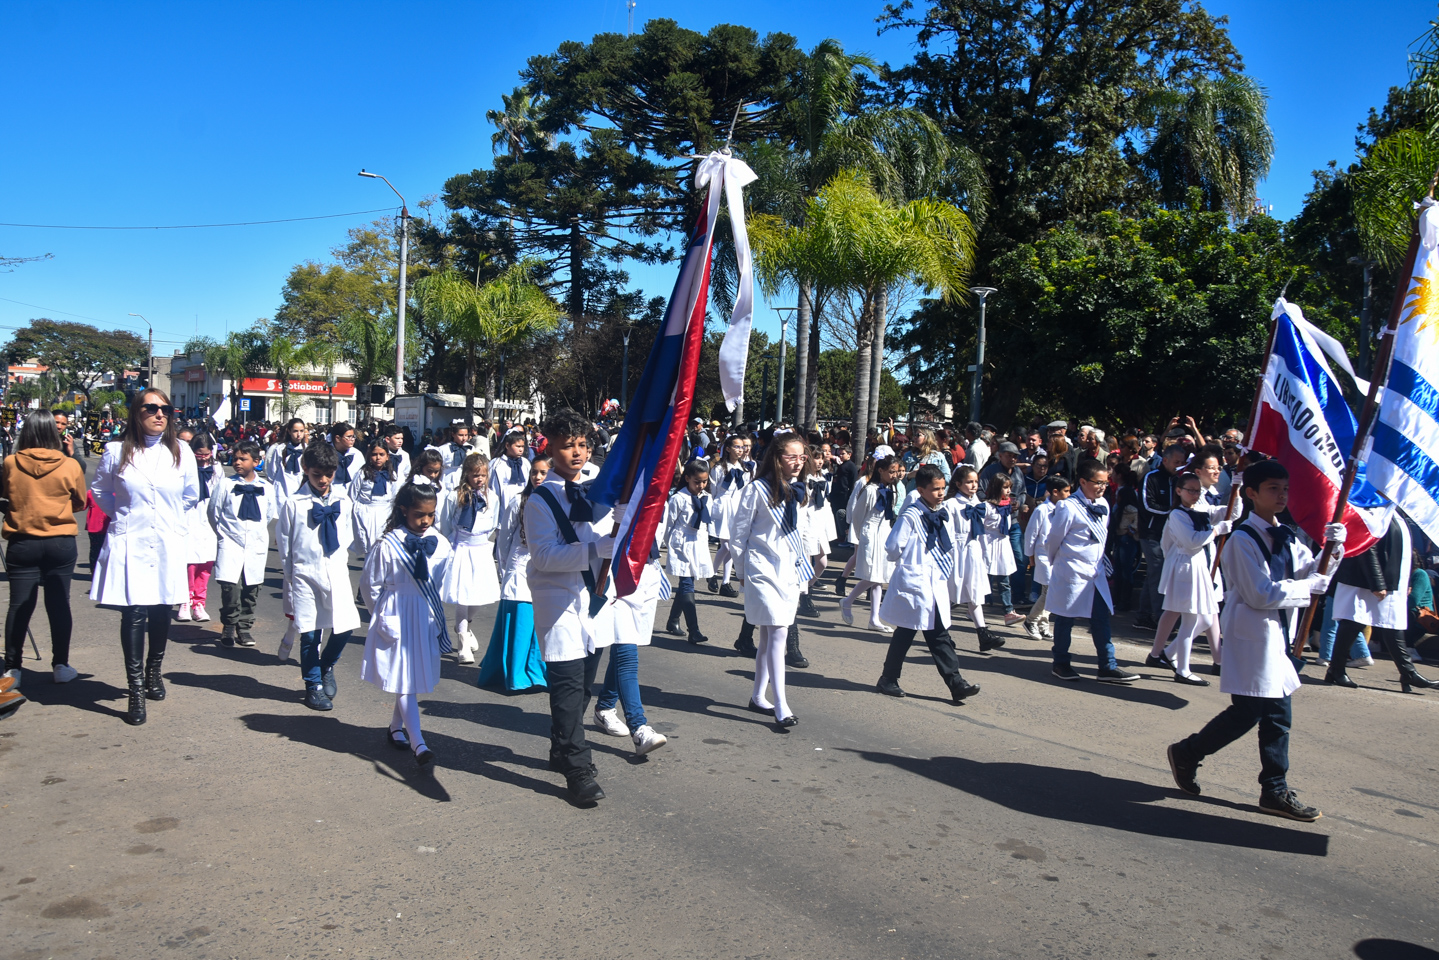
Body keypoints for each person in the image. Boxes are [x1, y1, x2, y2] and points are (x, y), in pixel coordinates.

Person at [1167, 460, 1343, 822]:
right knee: (1256, 713)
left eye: (1285, 489)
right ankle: (1263, 784)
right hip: (1254, 635)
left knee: (1267, 714)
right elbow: (1260, 593)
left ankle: (1257, 781)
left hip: (1278, 637)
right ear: (1251, 493)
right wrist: (1308, 586)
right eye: (1272, 489)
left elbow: (1312, 572)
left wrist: (1334, 549)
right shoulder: (1242, 540)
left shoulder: (1286, 535)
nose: (1281, 496)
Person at [90, 389, 201, 726]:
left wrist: (167, 520)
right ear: (136, 413)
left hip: (167, 540)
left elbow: (190, 495)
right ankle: (135, 688)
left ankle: (155, 670)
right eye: (151, 408)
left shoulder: (181, 451)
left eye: (165, 408)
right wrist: (124, 516)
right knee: (134, 611)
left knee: (161, 608)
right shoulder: (116, 451)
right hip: (132, 541)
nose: (159, 414)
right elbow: (99, 490)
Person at [526, 409, 614, 805]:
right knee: (566, 686)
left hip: (595, 599)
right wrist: (595, 549)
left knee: (584, 687)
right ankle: (577, 768)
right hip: (558, 600)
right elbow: (544, 556)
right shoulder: (540, 499)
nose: (576, 453)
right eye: (566, 446)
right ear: (551, 449)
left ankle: (561, 747)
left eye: (581, 444)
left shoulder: (601, 486)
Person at [361, 479, 453, 767]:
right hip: (396, 613)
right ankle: (418, 743)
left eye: (431, 514)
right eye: (418, 515)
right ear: (403, 511)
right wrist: (381, 614)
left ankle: (395, 728)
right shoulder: (388, 544)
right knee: (404, 678)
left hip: (424, 614)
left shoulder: (441, 543)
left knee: (409, 678)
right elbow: (369, 585)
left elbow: (440, 582)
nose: (425, 521)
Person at [874, 464, 982, 703]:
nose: (940, 493)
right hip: (916, 583)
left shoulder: (942, 512)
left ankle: (956, 684)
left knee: (938, 635)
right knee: (906, 633)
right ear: (921, 490)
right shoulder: (911, 515)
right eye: (935, 489)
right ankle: (888, 679)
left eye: (943, 488)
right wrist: (911, 561)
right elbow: (893, 546)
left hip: (935, 583)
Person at [730, 432, 811, 728]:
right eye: (792, 456)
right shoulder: (756, 489)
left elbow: (802, 532)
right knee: (778, 631)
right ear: (777, 458)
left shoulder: (800, 489)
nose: (798, 462)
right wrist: (741, 572)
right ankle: (782, 705)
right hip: (761, 568)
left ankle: (757, 696)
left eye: (802, 457)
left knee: (768, 634)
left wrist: (804, 572)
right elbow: (738, 534)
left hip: (789, 570)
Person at [1, 409, 87, 687]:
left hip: (22, 541)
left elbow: (6, 494)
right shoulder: (69, 465)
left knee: (19, 606)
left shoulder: (11, 462)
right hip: (59, 540)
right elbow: (80, 502)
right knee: (59, 604)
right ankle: (60, 664)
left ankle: (12, 669)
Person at [276, 441, 361, 711]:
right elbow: (284, 542)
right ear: (305, 469)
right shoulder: (294, 503)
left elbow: (347, 534)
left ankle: (327, 667)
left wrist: (339, 559)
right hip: (305, 574)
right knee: (310, 633)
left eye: (329, 474)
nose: (323, 480)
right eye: (316, 475)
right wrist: (292, 576)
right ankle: (312, 685)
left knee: (345, 626)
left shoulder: (343, 500)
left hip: (335, 571)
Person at [1043, 460, 1139, 683]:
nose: (1103, 487)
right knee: (1065, 619)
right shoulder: (1067, 507)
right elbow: (1054, 540)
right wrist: (1059, 564)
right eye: (1098, 482)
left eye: (1106, 482)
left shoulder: (1103, 503)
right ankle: (1061, 663)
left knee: (1101, 619)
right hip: (1072, 572)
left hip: (1096, 573)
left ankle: (1107, 666)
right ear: (1083, 482)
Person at [1324, 515, 1439, 693]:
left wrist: (1406, 581)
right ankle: (1336, 669)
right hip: (1368, 580)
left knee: (1391, 624)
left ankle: (1407, 673)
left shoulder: (1397, 514)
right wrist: (1377, 582)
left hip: (1391, 582)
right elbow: (1367, 546)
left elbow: (1403, 553)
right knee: (1353, 621)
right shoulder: (1374, 509)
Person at [1144, 473, 1232, 685]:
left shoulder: (1200, 510)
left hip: (1199, 567)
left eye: (1197, 491)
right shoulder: (1177, 514)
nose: (1195, 494)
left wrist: (1238, 487)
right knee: (1190, 620)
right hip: (1186, 568)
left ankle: (1169, 655)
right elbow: (1191, 541)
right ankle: (1182, 669)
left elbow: (1231, 512)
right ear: (1179, 491)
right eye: (1190, 490)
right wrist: (1217, 530)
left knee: (1204, 619)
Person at [477, 455, 550, 692]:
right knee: (521, 621)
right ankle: (515, 675)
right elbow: (505, 539)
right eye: (534, 472)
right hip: (520, 568)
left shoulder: (559, 500)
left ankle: (538, 673)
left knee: (542, 623)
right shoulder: (518, 501)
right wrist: (506, 569)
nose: (537, 477)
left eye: (543, 473)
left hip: (547, 568)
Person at [207, 440, 273, 648]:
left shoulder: (267, 488)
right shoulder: (226, 485)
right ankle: (229, 624)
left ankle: (244, 627)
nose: (237, 462)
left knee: (251, 588)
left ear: (256, 462)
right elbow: (213, 512)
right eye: (235, 459)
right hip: (231, 542)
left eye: (243, 459)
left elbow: (269, 514)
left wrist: (255, 534)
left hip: (255, 544)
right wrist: (224, 535)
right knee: (230, 587)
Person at [438, 453, 501, 665]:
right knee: (463, 595)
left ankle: (464, 624)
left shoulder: (492, 497)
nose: (479, 479)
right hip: (462, 548)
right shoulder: (454, 496)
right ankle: (463, 640)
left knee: (479, 596)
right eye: (475, 475)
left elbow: (493, 523)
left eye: (483, 475)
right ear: (466, 474)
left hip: (481, 549)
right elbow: (446, 523)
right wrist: (453, 543)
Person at [841, 456, 901, 633]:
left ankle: (874, 619)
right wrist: (862, 536)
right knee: (873, 575)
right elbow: (858, 516)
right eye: (891, 471)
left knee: (879, 577)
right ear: (880, 470)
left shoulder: (891, 489)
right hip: (870, 532)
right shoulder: (869, 490)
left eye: (896, 472)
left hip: (884, 533)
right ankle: (848, 601)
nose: (894, 475)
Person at [1136, 443, 1188, 630]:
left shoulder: (1178, 480)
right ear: (1165, 460)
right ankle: (1160, 618)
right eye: (1176, 462)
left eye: (1182, 462)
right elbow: (1146, 504)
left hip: (1170, 535)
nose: (1179, 466)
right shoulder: (1151, 477)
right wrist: (1172, 512)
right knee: (1158, 573)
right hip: (1151, 534)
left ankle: (1143, 616)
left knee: (1154, 573)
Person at [663, 460, 714, 645]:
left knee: (688, 583)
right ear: (687, 479)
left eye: (704, 481)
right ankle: (694, 630)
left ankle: (673, 621)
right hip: (682, 544)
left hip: (698, 543)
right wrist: (670, 544)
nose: (701, 485)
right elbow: (668, 524)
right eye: (697, 482)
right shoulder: (678, 498)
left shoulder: (707, 497)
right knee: (686, 584)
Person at [1021, 475, 1070, 640]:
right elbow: (1031, 533)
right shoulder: (1042, 510)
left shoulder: (1063, 509)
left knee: (1050, 591)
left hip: (1057, 555)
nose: (1069, 495)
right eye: (1066, 491)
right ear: (1055, 492)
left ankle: (1043, 624)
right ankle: (1031, 620)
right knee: (1050, 590)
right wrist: (1030, 555)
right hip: (1043, 553)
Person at [178, 433, 219, 623]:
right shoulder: (184, 469)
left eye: (206, 454)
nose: (202, 458)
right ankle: (185, 600)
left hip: (209, 520)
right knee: (189, 562)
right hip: (189, 518)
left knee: (206, 563)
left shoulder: (217, 470)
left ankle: (199, 603)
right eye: (198, 454)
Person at [708, 435, 752, 597]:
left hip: (738, 508)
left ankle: (725, 582)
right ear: (727, 449)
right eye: (736, 447)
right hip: (723, 507)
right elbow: (713, 490)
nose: (740, 450)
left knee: (732, 547)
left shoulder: (745, 468)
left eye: (742, 447)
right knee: (726, 546)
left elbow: (745, 490)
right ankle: (711, 573)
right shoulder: (719, 468)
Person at [982, 474, 1026, 627]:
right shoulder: (986, 507)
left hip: (1002, 545)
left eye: (1010, 487)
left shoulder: (1008, 506)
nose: (1008, 491)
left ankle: (1009, 612)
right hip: (988, 545)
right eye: (1005, 487)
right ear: (996, 488)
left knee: (1004, 580)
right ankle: (976, 607)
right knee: (985, 579)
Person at [350, 438, 399, 561]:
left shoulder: (391, 475)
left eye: (381, 454)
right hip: (367, 513)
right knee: (370, 544)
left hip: (385, 512)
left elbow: (394, 496)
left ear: (387, 456)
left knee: (384, 544)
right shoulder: (362, 473)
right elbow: (352, 495)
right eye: (374, 454)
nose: (378, 458)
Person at [263, 418, 309, 509]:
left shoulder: (306, 449)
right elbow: (272, 471)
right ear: (289, 431)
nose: (298, 434)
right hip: (281, 490)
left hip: (300, 490)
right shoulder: (280, 449)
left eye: (301, 431)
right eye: (295, 431)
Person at [489, 429, 531, 513]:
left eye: (522, 446)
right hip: (503, 503)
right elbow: (492, 486)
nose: (521, 450)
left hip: (522, 503)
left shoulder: (525, 463)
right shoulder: (496, 464)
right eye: (518, 446)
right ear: (507, 445)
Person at [330, 422, 361, 487]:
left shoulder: (357, 454)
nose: (352, 440)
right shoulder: (326, 453)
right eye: (349, 437)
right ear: (338, 438)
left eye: (353, 437)